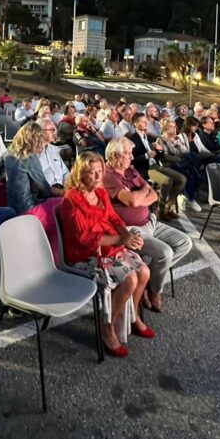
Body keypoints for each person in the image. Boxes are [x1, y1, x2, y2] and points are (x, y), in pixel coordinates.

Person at [58, 152, 153, 357]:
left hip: (109, 246)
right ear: (80, 174)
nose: (97, 176)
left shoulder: (100, 193)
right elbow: (84, 239)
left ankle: (133, 316)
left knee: (144, 272)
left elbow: (113, 218)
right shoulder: (72, 200)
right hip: (85, 255)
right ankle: (108, 327)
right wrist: (121, 240)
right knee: (130, 279)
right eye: (91, 172)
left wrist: (128, 235)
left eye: (100, 171)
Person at [103, 137, 192, 312]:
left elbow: (154, 195)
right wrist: (143, 192)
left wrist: (141, 193)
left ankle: (148, 281)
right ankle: (155, 290)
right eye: (127, 153)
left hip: (150, 221)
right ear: (114, 155)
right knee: (165, 253)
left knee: (185, 242)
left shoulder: (130, 170)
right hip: (131, 229)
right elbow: (133, 201)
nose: (131, 157)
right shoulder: (109, 176)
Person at [128, 112, 186, 221]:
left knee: (181, 179)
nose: (146, 123)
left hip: (155, 165)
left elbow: (158, 156)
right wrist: (146, 155)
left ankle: (168, 206)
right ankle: (161, 210)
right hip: (145, 169)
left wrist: (160, 150)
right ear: (136, 124)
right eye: (143, 122)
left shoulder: (149, 137)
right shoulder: (133, 140)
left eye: (146, 121)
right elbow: (132, 160)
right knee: (167, 181)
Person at [3, 123, 61, 214]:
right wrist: (62, 192)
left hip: (11, 206)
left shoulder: (9, 150)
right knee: (61, 205)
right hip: (29, 208)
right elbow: (45, 190)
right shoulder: (31, 157)